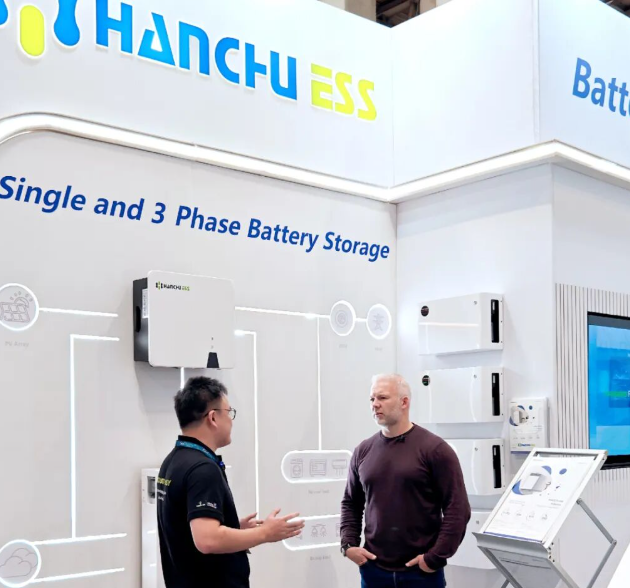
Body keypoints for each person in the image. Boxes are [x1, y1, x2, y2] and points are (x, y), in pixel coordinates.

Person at [157, 376, 304, 588]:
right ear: (213, 417)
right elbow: (207, 540)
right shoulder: (203, 469)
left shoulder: (173, 461)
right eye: (229, 412)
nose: (231, 420)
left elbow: (187, 529)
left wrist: (233, 526)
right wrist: (265, 533)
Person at [340, 374, 471, 588]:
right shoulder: (363, 450)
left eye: (382, 397)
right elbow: (351, 502)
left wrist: (435, 558)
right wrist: (348, 545)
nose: (375, 404)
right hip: (373, 571)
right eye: (372, 399)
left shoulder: (435, 449)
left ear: (404, 402)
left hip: (420, 573)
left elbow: (458, 508)